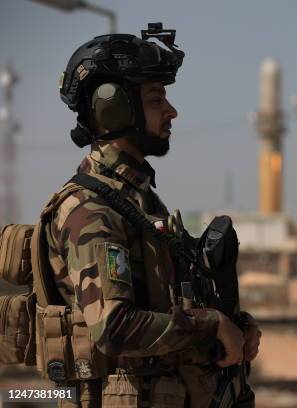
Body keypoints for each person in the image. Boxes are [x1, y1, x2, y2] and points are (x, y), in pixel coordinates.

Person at [41, 23, 261, 407]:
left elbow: (166, 307)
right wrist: (212, 326)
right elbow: (114, 327)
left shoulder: (138, 203)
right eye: (157, 99)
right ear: (115, 108)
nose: (172, 111)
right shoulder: (91, 210)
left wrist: (235, 327)